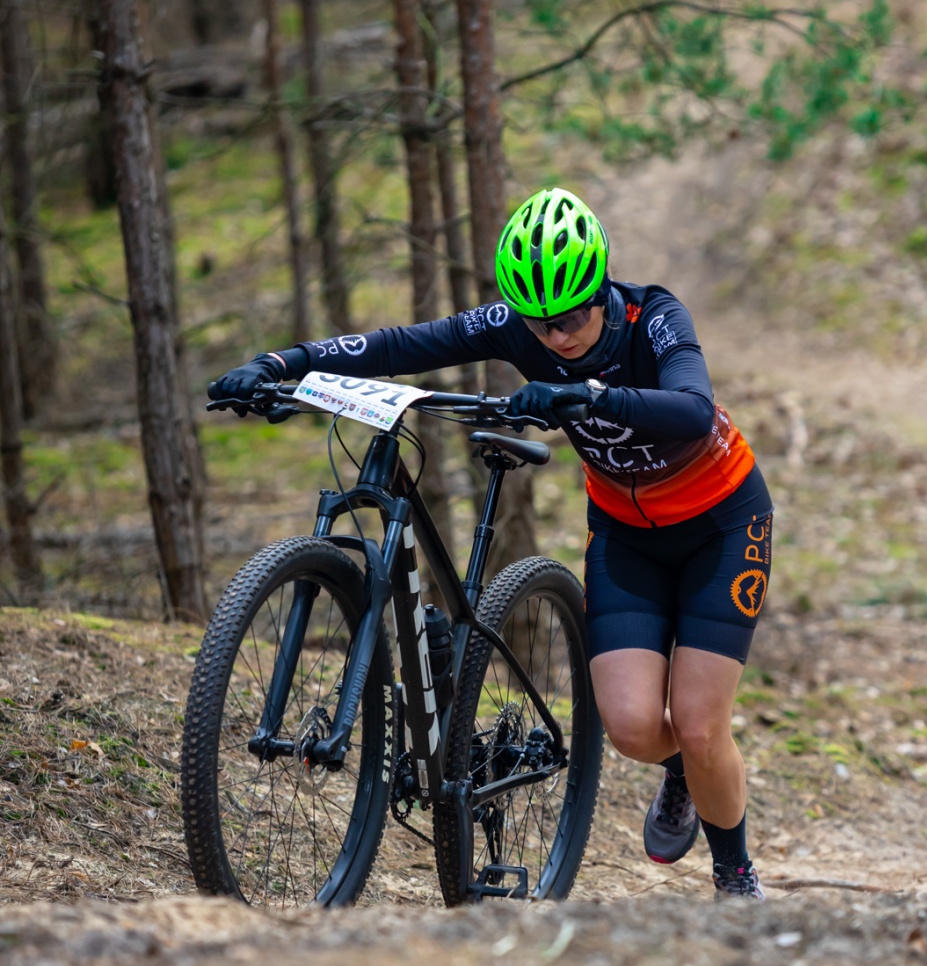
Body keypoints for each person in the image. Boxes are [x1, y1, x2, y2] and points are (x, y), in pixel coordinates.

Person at [210, 187, 773, 900]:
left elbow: (692, 410)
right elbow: (403, 345)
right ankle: (681, 772)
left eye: (571, 318)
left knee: (698, 726)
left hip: (721, 526)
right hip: (627, 536)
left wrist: (591, 394)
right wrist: (282, 361)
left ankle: (735, 876)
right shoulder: (518, 326)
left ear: (601, 289)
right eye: (539, 325)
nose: (556, 338)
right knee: (634, 729)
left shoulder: (654, 317)